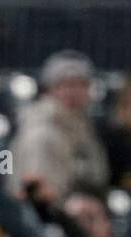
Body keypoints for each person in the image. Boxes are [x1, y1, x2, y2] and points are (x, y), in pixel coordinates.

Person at [8, 51, 110, 203]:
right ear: (50, 89)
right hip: (47, 218)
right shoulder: (39, 131)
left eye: (81, 85)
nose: (73, 92)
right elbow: (36, 193)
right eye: (66, 85)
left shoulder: (85, 128)